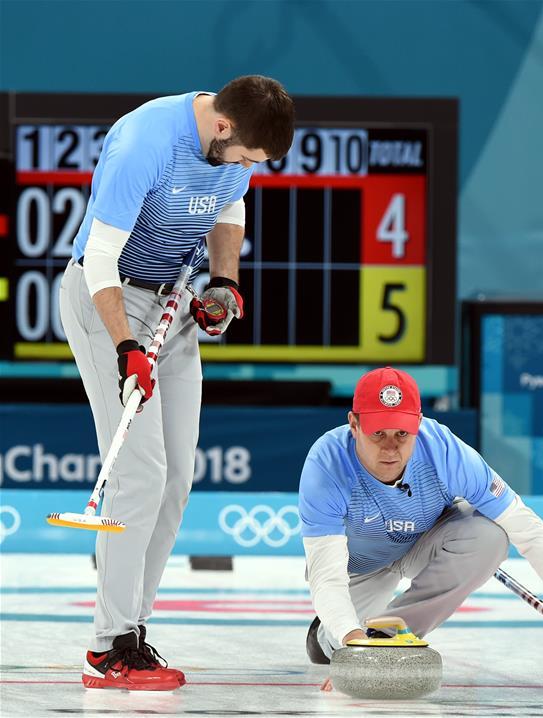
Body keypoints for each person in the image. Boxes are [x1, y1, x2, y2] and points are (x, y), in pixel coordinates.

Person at [59, 75, 295, 690]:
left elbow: (230, 207)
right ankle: (104, 649)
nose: (245, 167)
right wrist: (126, 347)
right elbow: (102, 260)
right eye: (243, 155)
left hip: (174, 306)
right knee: (139, 472)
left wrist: (223, 283)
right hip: (105, 302)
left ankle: (132, 630)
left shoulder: (234, 148)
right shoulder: (145, 141)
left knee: (176, 478)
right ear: (222, 127)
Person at [299, 366, 543, 669]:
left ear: (419, 424)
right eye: (378, 434)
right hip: (361, 566)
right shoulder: (326, 465)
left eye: (402, 434)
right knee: (332, 644)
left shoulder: (445, 452)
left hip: (422, 542)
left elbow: (529, 531)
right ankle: (328, 637)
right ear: (354, 425)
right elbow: (327, 575)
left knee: (490, 536)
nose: (390, 449)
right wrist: (351, 638)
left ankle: (389, 637)